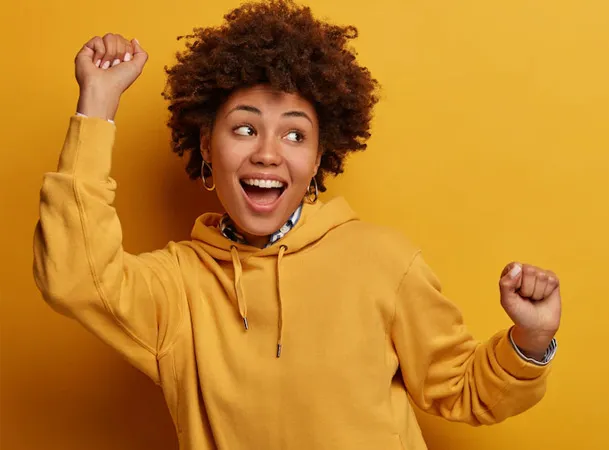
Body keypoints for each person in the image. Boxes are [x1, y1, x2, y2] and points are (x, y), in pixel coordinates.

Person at [33, 1, 562, 448]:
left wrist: (530, 339)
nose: (267, 154)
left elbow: (464, 389)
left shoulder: (384, 262)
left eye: (293, 135)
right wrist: (97, 104)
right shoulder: (177, 287)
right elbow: (76, 275)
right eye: (244, 128)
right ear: (206, 151)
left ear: (316, 161)